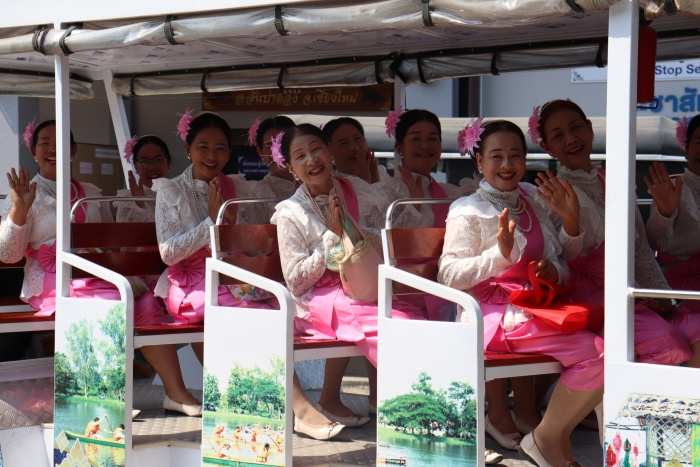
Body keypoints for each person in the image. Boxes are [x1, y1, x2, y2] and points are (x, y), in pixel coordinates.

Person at [438, 119, 604, 467]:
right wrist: (499, 256)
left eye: (515, 155)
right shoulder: (467, 209)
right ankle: (547, 439)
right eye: (496, 156)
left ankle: (549, 437)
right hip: (494, 318)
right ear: (479, 161)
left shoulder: (531, 201)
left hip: (534, 309)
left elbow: (561, 260)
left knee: (606, 352)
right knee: (600, 356)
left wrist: (551, 270)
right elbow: (448, 275)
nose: (507, 164)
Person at [271, 124, 424, 438]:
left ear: (329, 151)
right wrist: (332, 238)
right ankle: (422, 419)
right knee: (395, 324)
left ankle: (429, 414)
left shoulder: (354, 188)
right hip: (321, 300)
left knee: (413, 317)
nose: (311, 159)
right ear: (291, 168)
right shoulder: (290, 213)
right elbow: (296, 282)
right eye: (300, 156)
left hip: (363, 286)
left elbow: (385, 231)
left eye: (316, 149)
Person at [532, 99, 699, 368]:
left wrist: (661, 296)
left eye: (576, 128)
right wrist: (571, 223)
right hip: (586, 302)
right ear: (546, 147)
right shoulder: (549, 192)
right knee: (668, 346)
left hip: (631, 296)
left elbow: (640, 248)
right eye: (558, 136)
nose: (571, 139)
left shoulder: (615, 181)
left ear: (589, 128)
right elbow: (557, 258)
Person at [152, 109, 256, 416]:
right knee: (244, 306)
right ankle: (233, 392)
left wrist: (231, 223)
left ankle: (242, 392)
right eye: (203, 147)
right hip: (188, 285)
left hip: (228, 278)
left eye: (220, 148)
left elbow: (248, 245)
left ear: (229, 152)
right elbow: (168, 253)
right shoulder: (170, 190)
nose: (212, 156)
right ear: (188, 149)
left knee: (271, 303)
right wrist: (212, 223)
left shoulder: (235, 187)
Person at [0, 120, 116, 315]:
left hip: (94, 273)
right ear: (33, 151)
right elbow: (8, 255)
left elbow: (111, 242)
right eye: (45, 143)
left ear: (73, 150)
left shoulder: (90, 192)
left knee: (143, 302)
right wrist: (20, 209)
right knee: (108, 302)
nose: (53, 149)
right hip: (49, 279)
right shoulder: (24, 194)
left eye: (60, 142)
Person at [386, 108, 478, 229]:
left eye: (432, 139)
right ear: (400, 148)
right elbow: (384, 239)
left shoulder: (452, 193)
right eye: (416, 138)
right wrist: (415, 202)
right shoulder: (387, 192)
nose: (425, 146)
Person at [645, 114, 700, 313]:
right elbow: (655, 234)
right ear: (686, 149)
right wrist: (664, 212)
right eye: (699, 142)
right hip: (680, 292)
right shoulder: (673, 188)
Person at [247, 116, 297, 223]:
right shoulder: (258, 192)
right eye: (269, 145)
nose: (277, 152)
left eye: (283, 143)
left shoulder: (313, 182)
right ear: (261, 153)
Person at [115, 134, 172, 222]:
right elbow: (124, 230)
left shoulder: (181, 194)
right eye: (144, 161)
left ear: (168, 163)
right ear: (135, 167)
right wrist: (139, 205)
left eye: (158, 160)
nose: (152, 167)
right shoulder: (128, 201)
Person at [322, 117, 385, 184]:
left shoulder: (382, 175)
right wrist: (363, 181)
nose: (354, 147)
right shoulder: (332, 185)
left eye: (357, 139)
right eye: (344, 143)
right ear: (330, 151)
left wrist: (374, 179)